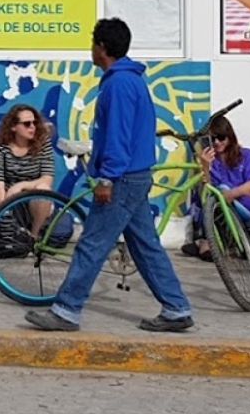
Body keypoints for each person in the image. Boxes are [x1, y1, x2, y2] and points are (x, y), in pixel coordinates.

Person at [26, 19, 194, 333]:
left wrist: (107, 178)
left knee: (91, 244)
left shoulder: (118, 84)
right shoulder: (131, 80)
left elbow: (118, 136)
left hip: (122, 179)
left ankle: (66, 310)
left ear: (102, 47)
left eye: (93, 43)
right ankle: (176, 307)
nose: (90, 49)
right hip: (136, 175)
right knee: (145, 245)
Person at [182, 115, 250, 261]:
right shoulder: (212, 161)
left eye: (221, 137)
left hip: (249, 202)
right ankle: (211, 243)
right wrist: (205, 166)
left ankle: (205, 244)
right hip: (223, 205)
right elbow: (207, 189)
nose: (217, 142)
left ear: (230, 136)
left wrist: (231, 194)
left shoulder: (247, 155)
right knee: (208, 198)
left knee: (221, 192)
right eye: (213, 139)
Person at [0, 104, 55, 227]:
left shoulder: (43, 144)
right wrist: (4, 208)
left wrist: (21, 186)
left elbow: (47, 179)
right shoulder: (1, 147)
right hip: (6, 196)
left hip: (31, 199)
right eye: (27, 124)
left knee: (44, 189)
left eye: (34, 123)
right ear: (13, 127)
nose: (32, 127)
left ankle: (34, 238)